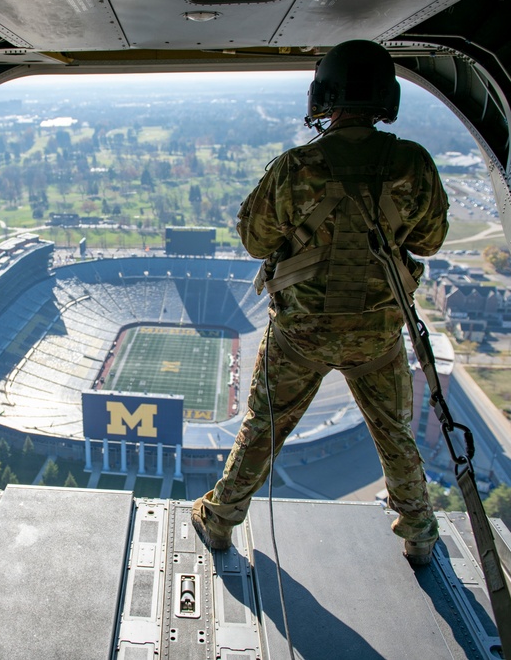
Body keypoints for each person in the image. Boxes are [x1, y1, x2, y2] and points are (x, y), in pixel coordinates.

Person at [191, 40, 449, 565]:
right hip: (377, 333)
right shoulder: (413, 164)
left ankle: (221, 520)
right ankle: (419, 533)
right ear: (386, 97)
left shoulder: (295, 168)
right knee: (394, 431)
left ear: (323, 96)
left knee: (265, 425)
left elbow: (256, 241)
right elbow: (429, 241)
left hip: (300, 334)